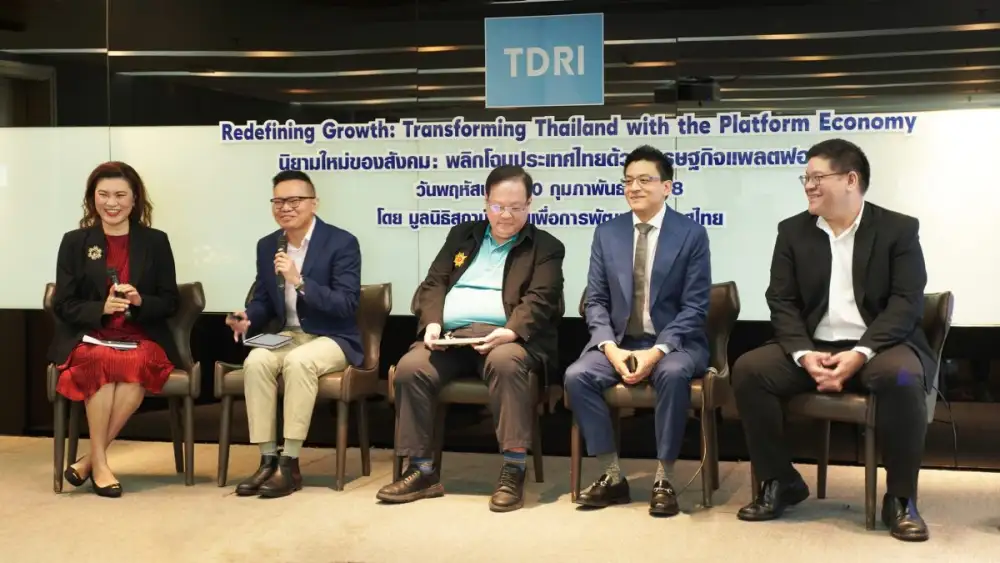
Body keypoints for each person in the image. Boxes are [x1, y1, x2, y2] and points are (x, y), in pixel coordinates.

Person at [731, 138, 934, 543]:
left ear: (850, 180)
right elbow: (781, 301)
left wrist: (861, 353)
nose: (808, 185)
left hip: (878, 348)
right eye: (805, 178)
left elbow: (906, 302)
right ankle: (780, 480)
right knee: (750, 370)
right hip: (814, 347)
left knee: (904, 378)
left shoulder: (898, 229)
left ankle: (900, 498)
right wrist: (803, 354)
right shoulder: (792, 231)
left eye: (817, 177)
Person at [375, 165, 565, 512]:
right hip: (451, 337)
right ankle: (422, 470)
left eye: (516, 207)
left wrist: (509, 331)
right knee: (411, 367)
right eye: (498, 206)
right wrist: (432, 323)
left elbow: (541, 299)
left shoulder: (547, 247)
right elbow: (434, 283)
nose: (506, 215)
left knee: (506, 363)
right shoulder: (462, 235)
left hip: (508, 340)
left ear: (529, 204)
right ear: (485, 202)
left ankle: (513, 469)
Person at [563, 145, 711, 517]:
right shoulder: (607, 233)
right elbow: (596, 300)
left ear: (667, 187)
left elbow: (695, 307)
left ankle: (665, 479)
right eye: (628, 180)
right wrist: (609, 347)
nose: (634, 188)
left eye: (645, 179)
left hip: (674, 343)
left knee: (673, 374)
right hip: (621, 342)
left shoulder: (691, 234)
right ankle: (612, 476)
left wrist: (658, 350)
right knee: (577, 376)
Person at [225, 170, 362, 498]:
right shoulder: (268, 245)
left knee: (299, 362)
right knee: (256, 360)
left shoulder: (341, 242)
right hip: (286, 334)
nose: (285, 207)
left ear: (314, 203)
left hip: (332, 337)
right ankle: (267, 459)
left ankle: (290, 463)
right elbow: (263, 300)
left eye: (294, 200)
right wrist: (247, 317)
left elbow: (346, 304)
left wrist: (299, 282)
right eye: (278, 201)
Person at [49, 161, 180, 498]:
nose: (112, 203)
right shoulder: (75, 242)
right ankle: (101, 464)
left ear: (135, 199)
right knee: (101, 362)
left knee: (135, 367)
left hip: (140, 336)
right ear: (92, 198)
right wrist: (100, 309)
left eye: (120, 195)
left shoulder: (155, 242)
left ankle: (90, 461)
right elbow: (63, 304)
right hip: (90, 336)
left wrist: (140, 301)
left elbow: (170, 301)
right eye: (103, 194)